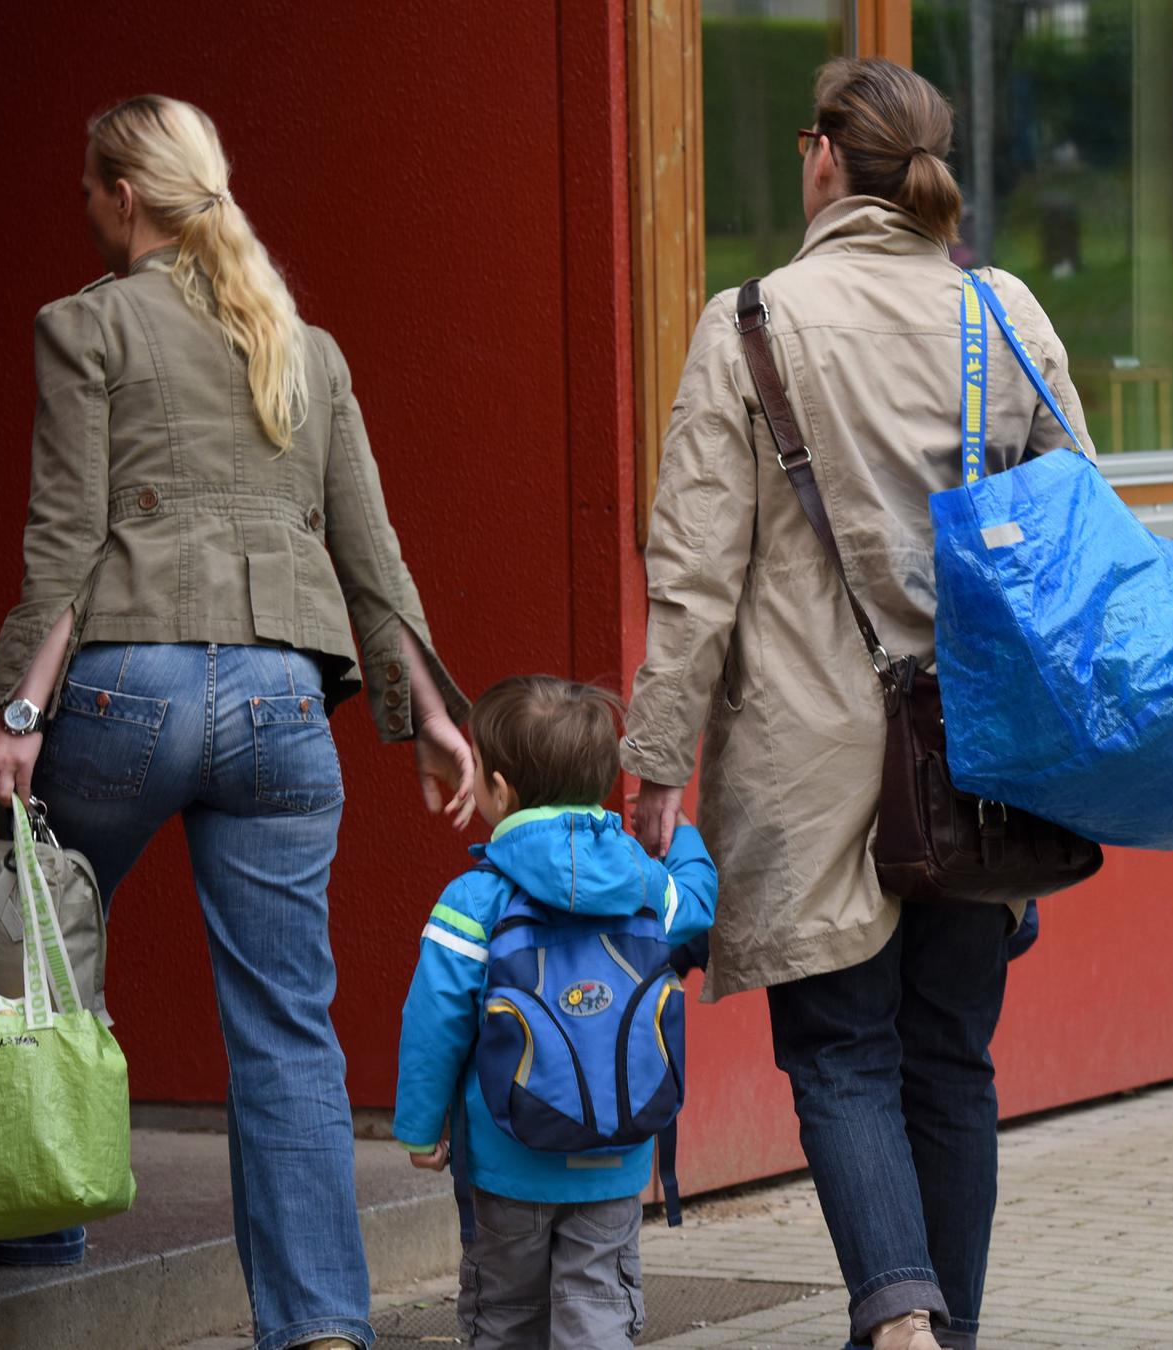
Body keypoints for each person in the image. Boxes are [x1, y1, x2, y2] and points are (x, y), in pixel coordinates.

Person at [0, 94, 474, 1350]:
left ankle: (25, 1218)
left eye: (90, 196)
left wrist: (17, 712)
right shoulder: (304, 344)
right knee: (288, 1030)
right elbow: (374, 552)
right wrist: (434, 721)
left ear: (123, 199)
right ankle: (318, 1329)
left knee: (21, 904)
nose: (88, 217)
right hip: (282, 710)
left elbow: (65, 544)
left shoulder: (84, 327)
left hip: (127, 690)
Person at [621, 57, 1091, 1350]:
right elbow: (1073, 540)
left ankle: (896, 1324)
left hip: (811, 750)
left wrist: (659, 755)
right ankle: (941, 1328)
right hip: (982, 757)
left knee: (839, 1051)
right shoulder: (1003, 311)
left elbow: (694, 569)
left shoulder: (754, 321)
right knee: (952, 1059)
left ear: (822, 156)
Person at [392, 676, 718, 1349]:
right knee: (598, 1310)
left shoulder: (475, 899)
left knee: (504, 1316)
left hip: (507, 1159)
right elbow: (699, 902)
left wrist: (420, 1130)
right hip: (617, 1156)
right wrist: (681, 835)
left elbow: (436, 1019)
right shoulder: (640, 881)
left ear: (501, 790)